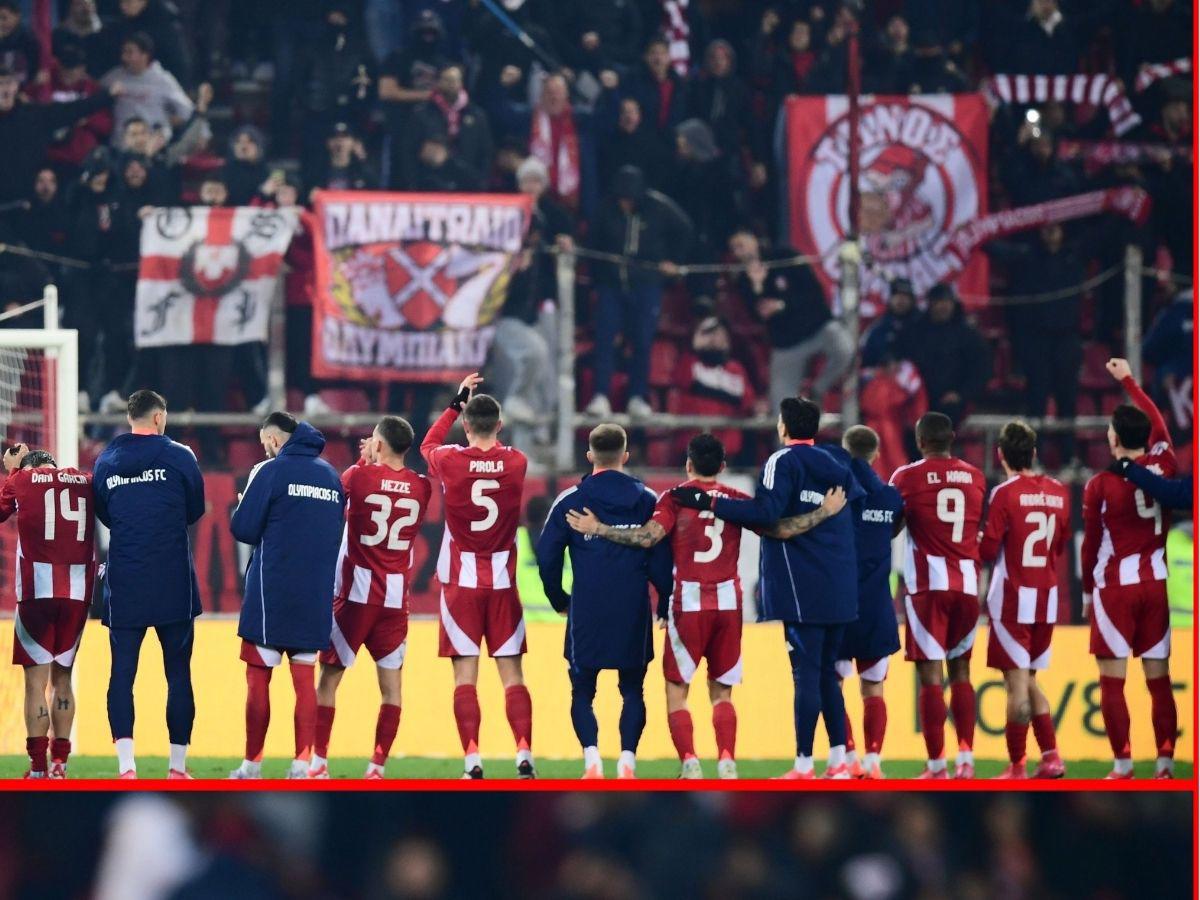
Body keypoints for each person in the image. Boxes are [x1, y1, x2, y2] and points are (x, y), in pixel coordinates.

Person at [671, 398, 860, 779]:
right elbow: (862, 499)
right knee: (827, 673)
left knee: (807, 673)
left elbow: (765, 515)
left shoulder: (782, 461)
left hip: (801, 581)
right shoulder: (839, 462)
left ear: (783, 426)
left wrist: (709, 502)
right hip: (841, 580)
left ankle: (805, 764)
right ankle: (841, 760)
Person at [536, 424, 673, 779]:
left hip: (588, 609)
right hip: (633, 608)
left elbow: (547, 555)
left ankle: (592, 762)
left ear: (590, 455)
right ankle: (627, 763)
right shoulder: (647, 500)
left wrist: (558, 598)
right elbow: (660, 558)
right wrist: (664, 601)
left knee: (582, 689)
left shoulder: (571, 500)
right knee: (632, 689)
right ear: (626, 456)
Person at [419, 373, 535, 779]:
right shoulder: (517, 462)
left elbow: (427, 444)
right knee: (512, 674)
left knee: (465, 676)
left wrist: (456, 402)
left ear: (466, 424)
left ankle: (473, 760)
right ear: (499, 426)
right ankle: (523, 754)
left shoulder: (450, 459)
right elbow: (497, 452)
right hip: (503, 583)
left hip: (461, 584)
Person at [310, 416, 432, 780]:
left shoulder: (358, 477)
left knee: (329, 680)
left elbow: (339, 499)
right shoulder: (422, 486)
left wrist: (363, 462)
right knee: (392, 688)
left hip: (355, 594)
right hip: (395, 598)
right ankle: (377, 766)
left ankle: (318, 763)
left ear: (378, 444)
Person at [92, 389, 205, 779]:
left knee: (122, 672)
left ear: (130, 418)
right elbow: (195, 508)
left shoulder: (106, 460)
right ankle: (177, 769)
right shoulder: (181, 456)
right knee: (178, 672)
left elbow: (105, 514)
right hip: (172, 578)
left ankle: (127, 768)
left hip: (126, 578)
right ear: (159, 417)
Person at [229, 413, 345, 780]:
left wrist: (244, 502)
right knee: (304, 681)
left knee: (258, 678)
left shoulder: (269, 471)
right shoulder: (331, 476)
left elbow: (244, 529)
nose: (265, 448)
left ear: (275, 440)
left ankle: (252, 765)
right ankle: (302, 764)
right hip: (314, 593)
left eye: (266, 442)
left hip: (272, 590)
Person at [1081, 358, 1178, 780]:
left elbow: (1091, 547)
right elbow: (1158, 420)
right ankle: (1164, 761)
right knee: (1159, 679)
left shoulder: (1101, 485)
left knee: (1112, 682)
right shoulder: (1165, 464)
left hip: (1115, 589)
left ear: (1115, 438)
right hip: (1155, 585)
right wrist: (1127, 382)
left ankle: (1122, 763)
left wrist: (1087, 592)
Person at [888, 411, 986, 779]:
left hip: (928, 588)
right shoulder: (975, 477)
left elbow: (893, 528)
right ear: (952, 439)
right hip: (967, 585)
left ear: (919, 441)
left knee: (931, 676)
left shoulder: (906, 477)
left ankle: (936, 766)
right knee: (961, 672)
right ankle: (967, 759)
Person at [978, 421, 1070, 780]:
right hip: (1046, 596)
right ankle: (1052, 758)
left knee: (1016, 685)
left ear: (1000, 455)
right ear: (1033, 453)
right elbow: (1059, 546)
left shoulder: (1004, 494)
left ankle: (1017, 766)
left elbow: (988, 550)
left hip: (1013, 597)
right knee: (1029, 681)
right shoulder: (1060, 492)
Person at [0, 445, 96, 779]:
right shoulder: (85, 480)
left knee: (35, 684)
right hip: (78, 594)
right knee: (64, 679)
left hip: (37, 592)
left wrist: (12, 470)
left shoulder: (23, 479)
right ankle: (61, 764)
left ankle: (39, 768)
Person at [584, 165, 693, 419]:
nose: (625, 204)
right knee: (605, 339)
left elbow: (685, 231)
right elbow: (592, 244)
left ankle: (638, 396)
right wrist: (600, 276)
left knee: (643, 341)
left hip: (646, 285)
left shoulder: (659, 207)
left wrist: (672, 260)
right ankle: (601, 395)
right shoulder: (605, 209)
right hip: (611, 285)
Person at [825, 426, 902, 780]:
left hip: (841, 604)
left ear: (845, 450)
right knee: (874, 686)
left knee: (835, 682)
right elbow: (894, 529)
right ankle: (873, 761)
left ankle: (849, 755)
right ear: (876, 453)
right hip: (876, 603)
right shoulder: (890, 497)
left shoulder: (839, 495)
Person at [728, 227, 853, 409]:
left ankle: (818, 389)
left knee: (845, 348)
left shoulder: (785, 256)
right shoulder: (742, 278)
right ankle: (784, 438)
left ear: (753, 239)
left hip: (817, 327)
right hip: (787, 343)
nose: (739, 251)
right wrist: (757, 287)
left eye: (741, 244)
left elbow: (813, 294)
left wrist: (783, 305)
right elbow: (757, 315)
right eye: (734, 248)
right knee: (780, 405)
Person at [100, 32, 193, 142]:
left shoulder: (162, 79)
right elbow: (94, 93)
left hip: (150, 147)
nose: (124, 57)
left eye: (130, 53)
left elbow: (186, 110)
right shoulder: (114, 76)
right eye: (123, 52)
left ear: (145, 55)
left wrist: (164, 124)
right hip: (119, 145)